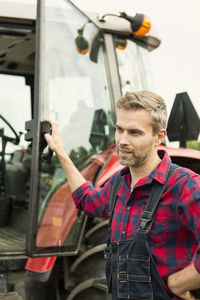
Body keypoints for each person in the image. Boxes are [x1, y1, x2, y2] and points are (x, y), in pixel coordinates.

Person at [45, 91, 200, 300]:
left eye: (135, 132)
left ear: (159, 137)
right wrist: (61, 152)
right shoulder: (118, 183)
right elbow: (87, 201)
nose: (122, 140)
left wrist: (179, 283)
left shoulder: (184, 186)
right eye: (119, 129)